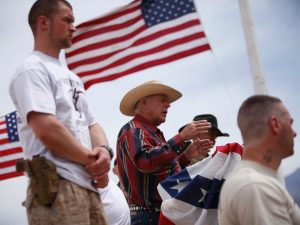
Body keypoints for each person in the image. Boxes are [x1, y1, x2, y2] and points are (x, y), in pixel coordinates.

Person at [9, 0, 111, 224]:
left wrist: (103, 151)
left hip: (88, 188)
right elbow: (46, 127)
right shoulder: (31, 68)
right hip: (57, 187)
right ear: (43, 22)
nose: (73, 26)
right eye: (67, 20)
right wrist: (92, 162)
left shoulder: (74, 78)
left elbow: (92, 124)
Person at [116, 80, 212, 225]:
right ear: (145, 104)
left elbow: (155, 168)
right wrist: (181, 138)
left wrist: (186, 157)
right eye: (163, 100)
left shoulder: (145, 131)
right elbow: (145, 161)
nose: (168, 105)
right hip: (149, 216)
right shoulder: (134, 129)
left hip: (153, 215)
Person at [218, 95, 300, 225]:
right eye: (290, 123)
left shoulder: (254, 182)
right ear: (275, 124)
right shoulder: (256, 186)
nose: (294, 132)